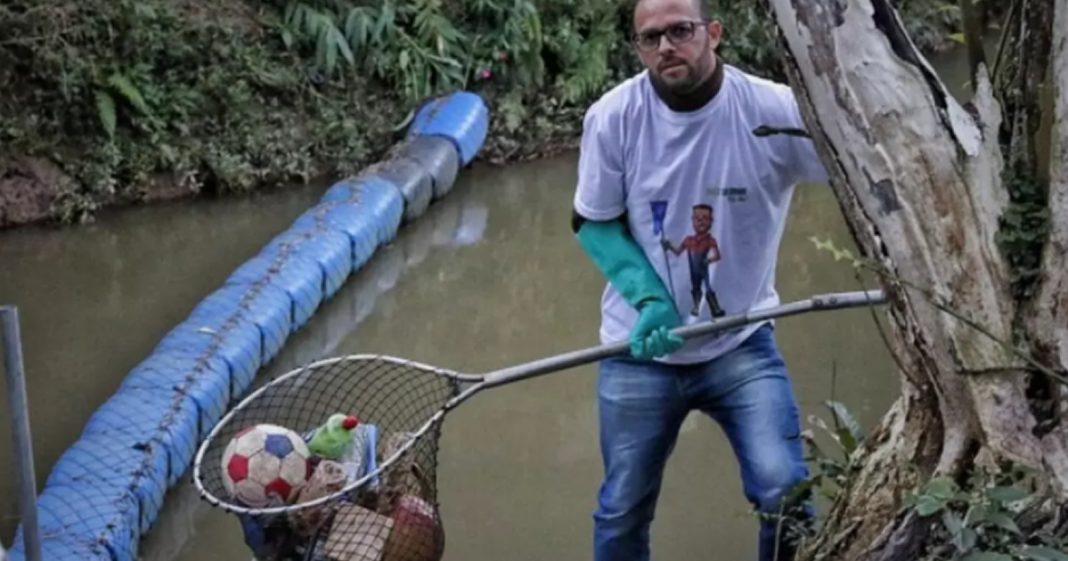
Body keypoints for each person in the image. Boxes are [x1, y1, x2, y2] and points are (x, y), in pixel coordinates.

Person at [570, 0, 830, 559]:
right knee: (622, 507)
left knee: (785, 488)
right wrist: (649, 298)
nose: (666, 47)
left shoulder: (772, 110)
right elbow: (593, 222)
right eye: (650, 38)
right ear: (639, 48)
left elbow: (861, 169)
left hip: (741, 341)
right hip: (639, 348)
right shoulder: (614, 117)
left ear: (713, 33)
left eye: (680, 31)